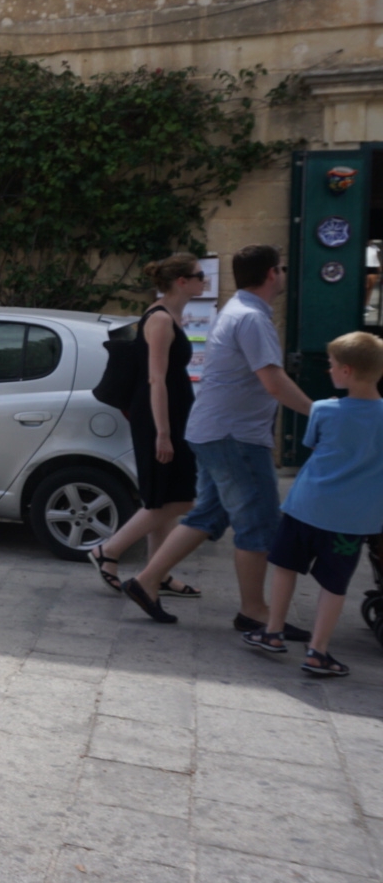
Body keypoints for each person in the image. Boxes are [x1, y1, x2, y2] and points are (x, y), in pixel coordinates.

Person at [123, 245, 315, 632]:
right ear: (271, 274)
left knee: (209, 514)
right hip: (236, 437)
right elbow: (273, 381)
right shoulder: (251, 318)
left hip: (215, 431)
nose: (282, 275)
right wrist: (323, 413)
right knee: (258, 523)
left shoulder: (236, 311)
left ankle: (145, 581)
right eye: (280, 269)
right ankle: (254, 611)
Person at [243, 332, 383, 676]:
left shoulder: (323, 410)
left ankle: (273, 631)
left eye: (332, 365)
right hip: (353, 520)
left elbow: (313, 445)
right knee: (335, 585)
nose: (329, 371)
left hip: (305, 507)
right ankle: (318, 652)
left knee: (286, 567)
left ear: (346, 371)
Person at [86, 254, 208, 596]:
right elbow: (156, 380)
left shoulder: (172, 316)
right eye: (199, 275)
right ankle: (107, 550)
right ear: (182, 281)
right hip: (158, 419)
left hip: (172, 416)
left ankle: (159, 572)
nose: (205, 280)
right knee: (179, 499)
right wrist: (164, 434)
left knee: (163, 496)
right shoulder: (159, 320)